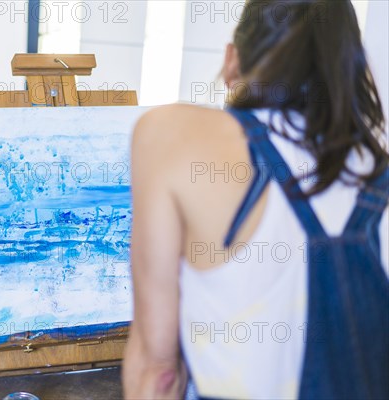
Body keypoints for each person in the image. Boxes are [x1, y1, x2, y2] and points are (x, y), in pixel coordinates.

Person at [122, 1, 389, 399]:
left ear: (233, 61)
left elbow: (158, 371)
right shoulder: (377, 170)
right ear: (349, 66)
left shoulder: (171, 136)